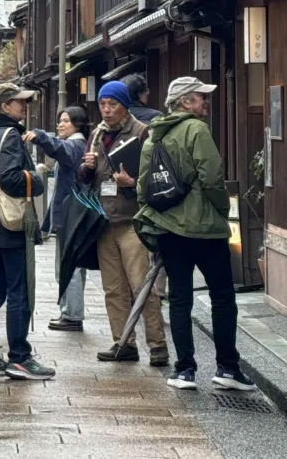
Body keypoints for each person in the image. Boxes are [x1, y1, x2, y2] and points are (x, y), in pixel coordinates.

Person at [136, 77, 256, 392]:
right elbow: (213, 176)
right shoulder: (197, 130)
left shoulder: (154, 136)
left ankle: (184, 370)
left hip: (169, 230)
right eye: (202, 97)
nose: (206, 102)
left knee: (179, 298)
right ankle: (228, 368)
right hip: (204, 229)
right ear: (186, 101)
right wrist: (221, 210)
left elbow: (143, 186)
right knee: (222, 297)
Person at [78, 80, 169, 367]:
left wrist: (132, 183)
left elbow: (157, 175)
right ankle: (123, 342)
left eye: (112, 104)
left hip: (133, 221)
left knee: (142, 286)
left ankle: (157, 346)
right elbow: (84, 178)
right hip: (104, 221)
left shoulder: (142, 133)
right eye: (102, 104)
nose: (106, 110)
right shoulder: (96, 134)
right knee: (113, 288)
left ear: (124, 105)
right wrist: (86, 168)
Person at [0, 82, 54, 380]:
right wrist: (36, 178)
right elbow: (10, 178)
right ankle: (19, 356)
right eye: (19, 102)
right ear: (5, 106)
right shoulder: (10, 135)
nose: (24, 106)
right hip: (8, 222)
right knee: (20, 290)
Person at [24, 106, 90, 332]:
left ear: (78, 124)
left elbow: (58, 149)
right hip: (74, 215)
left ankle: (71, 315)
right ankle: (70, 313)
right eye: (59, 120)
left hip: (72, 216)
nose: (61, 125)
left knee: (67, 268)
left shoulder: (75, 144)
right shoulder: (80, 144)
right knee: (72, 267)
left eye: (66, 121)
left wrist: (41, 137)